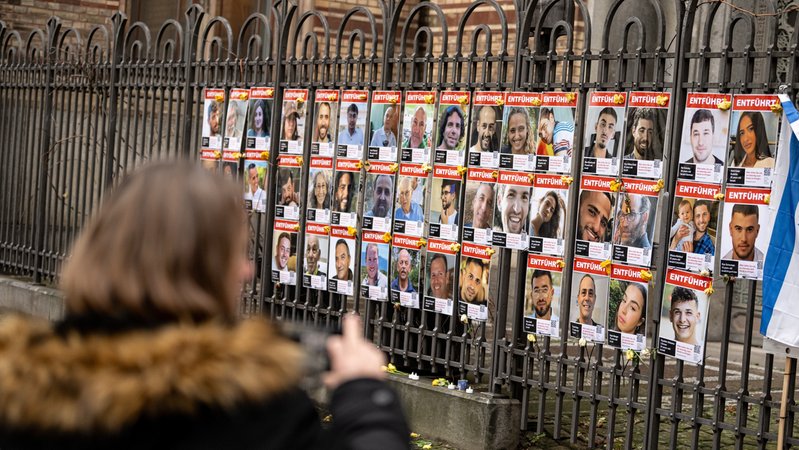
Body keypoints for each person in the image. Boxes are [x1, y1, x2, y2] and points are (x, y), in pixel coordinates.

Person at [0, 162, 409, 449]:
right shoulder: (249, 412)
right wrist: (366, 397)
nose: (248, 270)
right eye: (234, 252)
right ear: (198, 266)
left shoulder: (21, 393)